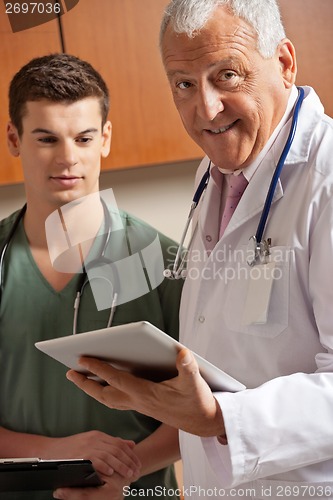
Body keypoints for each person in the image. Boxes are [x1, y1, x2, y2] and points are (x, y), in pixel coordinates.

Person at [59, 0, 333, 499]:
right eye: (183, 84)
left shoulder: (326, 181)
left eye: (227, 75)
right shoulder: (215, 176)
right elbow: (228, 357)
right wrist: (138, 452)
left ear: (285, 63)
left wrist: (216, 418)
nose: (205, 108)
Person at [0, 53, 184, 500]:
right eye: (46, 139)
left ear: (105, 138)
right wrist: (59, 453)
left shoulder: (165, 262)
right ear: (14, 140)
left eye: (83, 138)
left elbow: (204, 410)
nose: (67, 159)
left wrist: (124, 473)